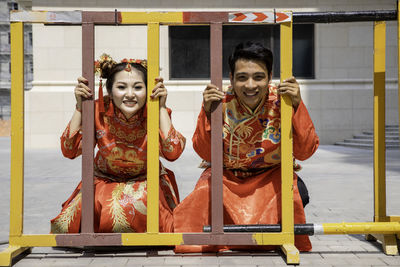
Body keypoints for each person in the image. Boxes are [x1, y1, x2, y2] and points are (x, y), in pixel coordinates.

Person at [173, 42, 319, 252]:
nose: (250, 85)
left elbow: (306, 151)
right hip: (227, 177)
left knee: (297, 193)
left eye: (258, 77)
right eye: (242, 78)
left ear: (270, 76)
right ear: (231, 78)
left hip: (270, 176)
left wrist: (297, 105)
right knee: (204, 193)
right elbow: (204, 152)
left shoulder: (283, 99)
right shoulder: (219, 100)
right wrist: (207, 112)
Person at [51, 54, 186, 233]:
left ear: (148, 90)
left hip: (145, 180)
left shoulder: (154, 111)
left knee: (139, 204)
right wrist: (80, 107)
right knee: (70, 221)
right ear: (109, 89)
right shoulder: (97, 109)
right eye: (121, 87)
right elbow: (70, 150)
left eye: (138, 87)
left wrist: (161, 107)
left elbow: (173, 152)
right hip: (103, 180)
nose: (130, 94)